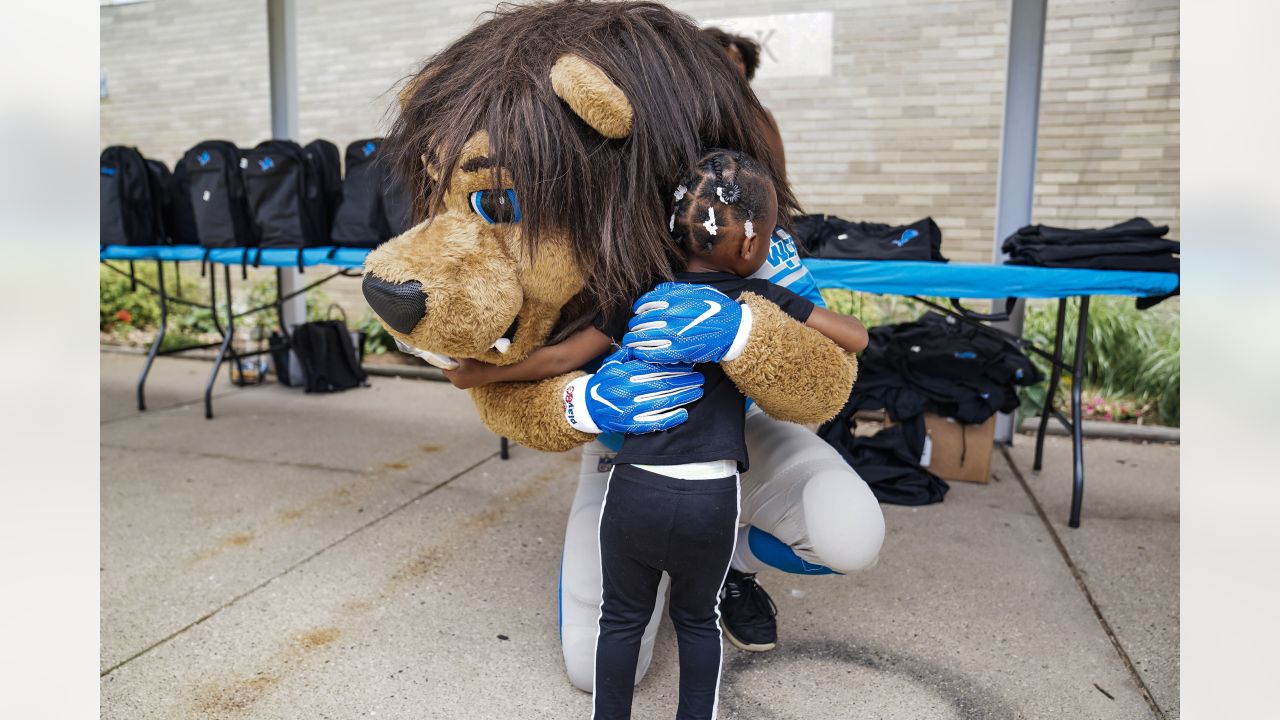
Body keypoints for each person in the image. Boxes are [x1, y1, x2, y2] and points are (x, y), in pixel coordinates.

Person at [444, 150, 867, 719]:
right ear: (748, 245)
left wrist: (480, 373)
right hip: (708, 496)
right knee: (698, 624)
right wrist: (750, 323)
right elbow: (854, 337)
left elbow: (561, 357)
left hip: (631, 488)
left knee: (620, 621)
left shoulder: (637, 291)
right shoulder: (756, 297)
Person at [702, 27, 786, 179]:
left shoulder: (760, 115)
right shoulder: (696, 113)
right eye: (725, 56)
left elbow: (778, 175)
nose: (734, 64)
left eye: (739, 59)